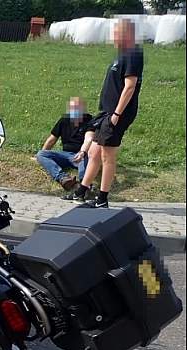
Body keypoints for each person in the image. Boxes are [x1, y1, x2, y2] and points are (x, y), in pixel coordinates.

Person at [67, 18, 143, 208]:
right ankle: (81, 192)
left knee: (107, 156)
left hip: (117, 113)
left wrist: (117, 114)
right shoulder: (121, 54)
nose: (113, 36)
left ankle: (102, 199)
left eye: (117, 32)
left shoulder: (133, 54)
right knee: (93, 152)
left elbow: (130, 86)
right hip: (106, 112)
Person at [36, 97, 94, 191]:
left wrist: (82, 152)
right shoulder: (64, 120)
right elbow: (52, 139)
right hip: (65, 155)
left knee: (85, 159)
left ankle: (84, 185)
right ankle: (63, 178)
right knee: (41, 154)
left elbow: (89, 139)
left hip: (82, 154)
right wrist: (41, 153)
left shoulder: (90, 121)